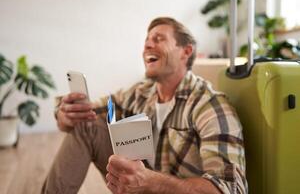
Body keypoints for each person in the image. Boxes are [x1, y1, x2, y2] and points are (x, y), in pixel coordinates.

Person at [42, 17, 247, 194]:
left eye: (158, 39)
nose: (148, 45)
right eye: (147, 41)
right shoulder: (142, 92)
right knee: (87, 125)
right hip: (143, 188)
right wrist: (65, 114)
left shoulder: (210, 106)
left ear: (186, 51)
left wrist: (150, 182)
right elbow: (89, 111)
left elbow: (230, 190)